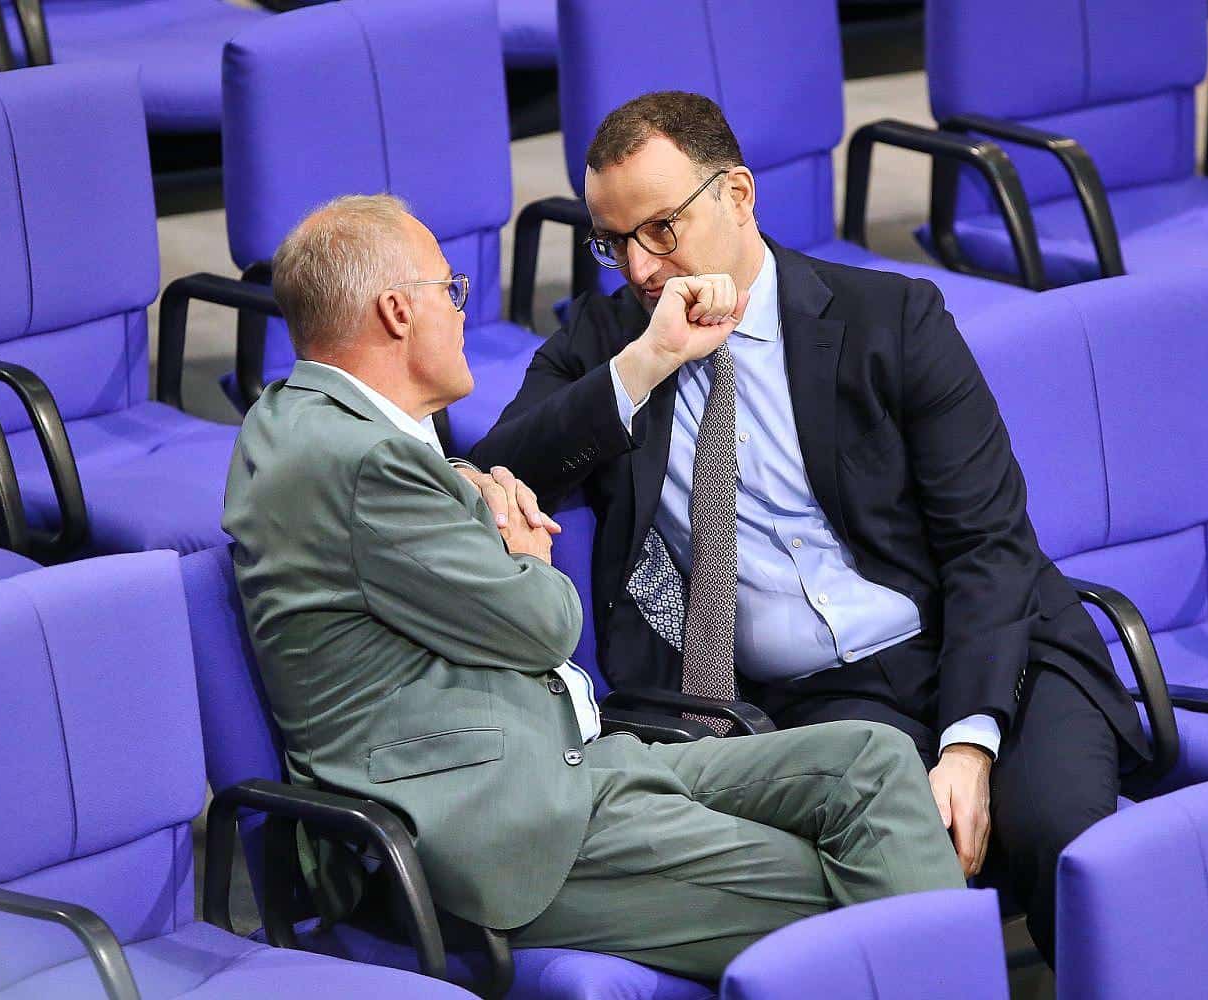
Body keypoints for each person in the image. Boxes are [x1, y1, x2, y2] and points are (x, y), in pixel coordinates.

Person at [469, 91, 1149, 963]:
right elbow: (497, 474)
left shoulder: (891, 319)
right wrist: (649, 361)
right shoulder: (611, 342)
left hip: (989, 648)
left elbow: (989, 544)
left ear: (738, 196)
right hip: (820, 703)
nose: (638, 266)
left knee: (1062, 842)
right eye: (613, 241)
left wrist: (968, 748)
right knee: (888, 864)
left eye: (661, 229)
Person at [221, 194, 964, 979]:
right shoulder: (369, 464)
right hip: (499, 827)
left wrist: (465, 485)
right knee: (863, 885)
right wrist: (524, 553)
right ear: (398, 312)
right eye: (451, 290)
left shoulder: (292, 417)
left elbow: (385, 528)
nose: (464, 312)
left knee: (875, 763)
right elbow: (545, 623)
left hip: (574, 759)